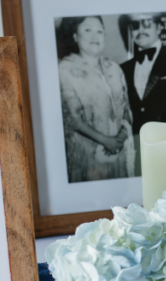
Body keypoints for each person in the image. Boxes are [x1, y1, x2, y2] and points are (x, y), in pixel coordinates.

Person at [57, 16, 134, 182]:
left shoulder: (114, 68)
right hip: (86, 157)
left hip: (118, 155)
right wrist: (107, 141)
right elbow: (71, 118)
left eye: (99, 31)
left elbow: (127, 108)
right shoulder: (64, 70)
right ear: (75, 36)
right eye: (87, 30)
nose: (95, 36)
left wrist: (119, 139)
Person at [119, 14, 166, 174]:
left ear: (159, 28)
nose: (141, 30)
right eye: (135, 26)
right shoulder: (122, 69)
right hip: (138, 153)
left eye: (147, 24)